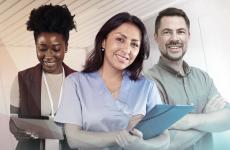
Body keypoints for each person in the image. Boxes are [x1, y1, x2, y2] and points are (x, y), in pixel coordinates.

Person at [54, 12, 170, 150]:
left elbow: (165, 138)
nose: (126, 49)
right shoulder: (75, 83)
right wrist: (119, 136)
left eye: (134, 44)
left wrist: (141, 145)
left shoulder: (147, 87)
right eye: (120, 39)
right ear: (103, 41)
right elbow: (73, 138)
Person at [144, 7, 230, 150]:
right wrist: (208, 120)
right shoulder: (148, 82)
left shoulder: (202, 76)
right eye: (167, 32)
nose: (174, 38)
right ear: (156, 37)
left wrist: (190, 121)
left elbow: (227, 118)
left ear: (188, 36)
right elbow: (163, 144)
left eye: (180, 31)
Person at [9, 4, 76, 150]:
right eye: (42, 48)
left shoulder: (79, 81)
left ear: (66, 46)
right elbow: (13, 121)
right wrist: (16, 129)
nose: (49, 56)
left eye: (56, 49)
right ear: (35, 45)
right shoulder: (22, 79)